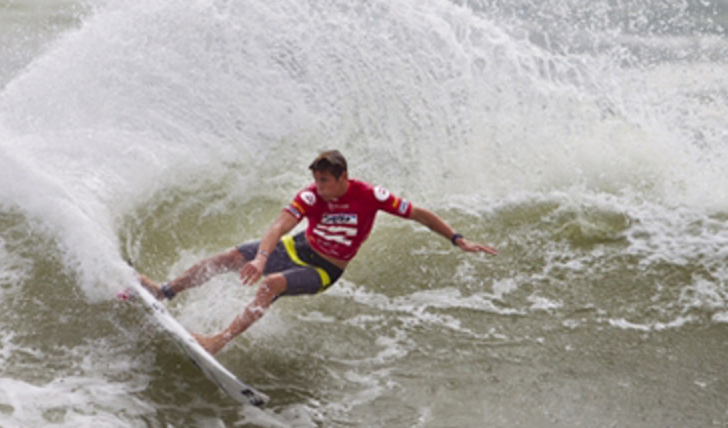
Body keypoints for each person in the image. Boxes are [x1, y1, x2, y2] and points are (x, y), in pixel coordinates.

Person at [140, 150, 498, 355]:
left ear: (343, 177)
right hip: (296, 249)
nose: (319, 188)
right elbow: (279, 226)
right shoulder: (311, 195)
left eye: (325, 181)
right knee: (227, 258)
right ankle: (164, 291)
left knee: (272, 286)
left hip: (326, 268)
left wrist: (458, 239)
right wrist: (261, 256)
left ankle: (218, 341)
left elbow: (419, 213)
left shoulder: (370, 195)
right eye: (317, 181)